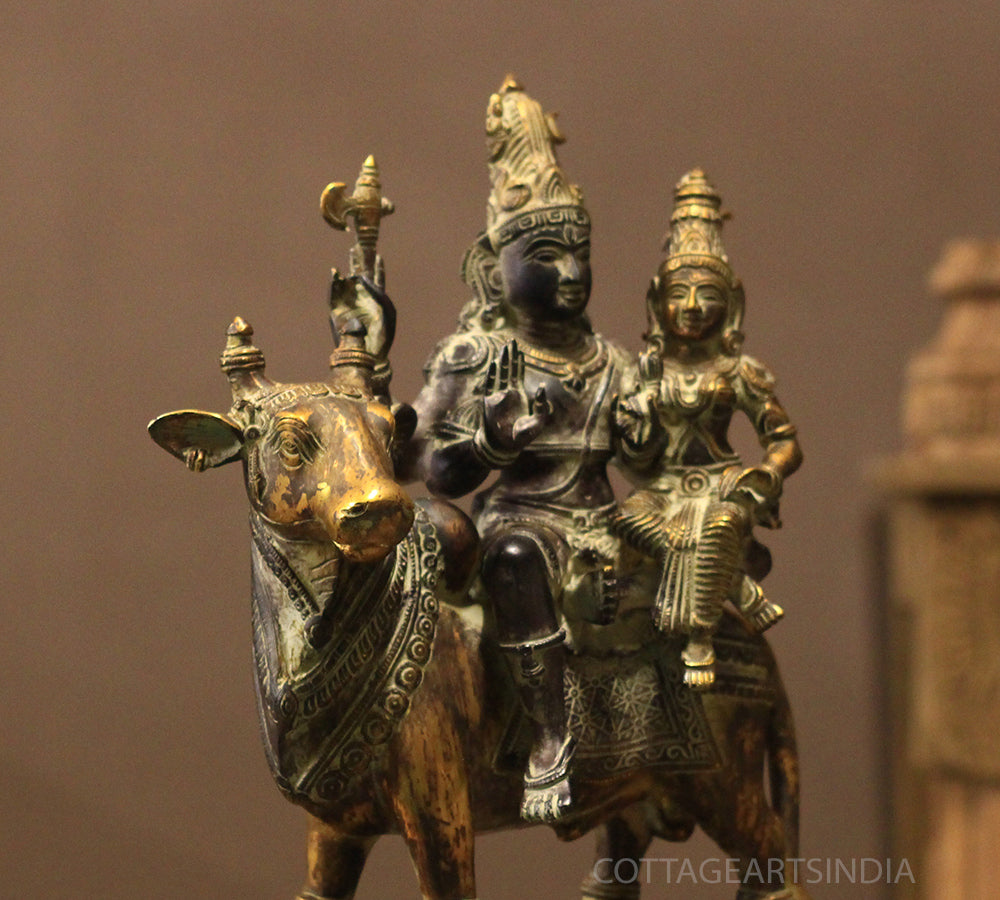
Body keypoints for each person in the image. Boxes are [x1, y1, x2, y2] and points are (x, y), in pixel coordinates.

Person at [395, 77, 630, 823]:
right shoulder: (475, 356)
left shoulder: (614, 363)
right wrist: (492, 439)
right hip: (524, 523)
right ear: (500, 267)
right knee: (514, 560)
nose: (571, 273)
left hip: (609, 524)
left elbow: (658, 455)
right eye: (548, 255)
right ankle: (550, 734)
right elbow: (427, 468)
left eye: (580, 255)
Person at [613, 169, 803, 689]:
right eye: (680, 293)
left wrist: (766, 475)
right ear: (657, 301)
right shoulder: (643, 371)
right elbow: (632, 455)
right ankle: (735, 585)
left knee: (718, 525)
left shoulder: (739, 371)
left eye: (707, 295)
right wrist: (635, 425)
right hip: (662, 489)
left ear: (732, 304)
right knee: (626, 517)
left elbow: (784, 440)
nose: (693, 308)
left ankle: (698, 636)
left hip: (722, 485)